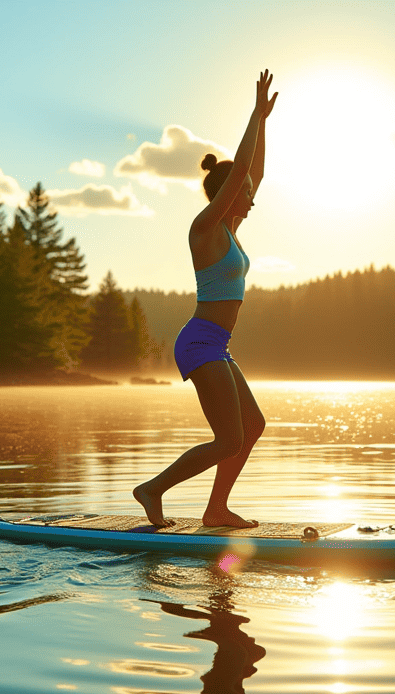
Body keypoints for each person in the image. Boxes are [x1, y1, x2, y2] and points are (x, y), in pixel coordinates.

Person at [134, 70, 278, 530]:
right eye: (245, 195)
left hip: (217, 344)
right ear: (227, 196)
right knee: (228, 438)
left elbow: (254, 171)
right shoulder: (205, 229)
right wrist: (253, 114)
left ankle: (216, 509)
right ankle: (152, 489)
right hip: (199, 343)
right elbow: (241, 172)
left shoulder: (231, 234)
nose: (253, 198)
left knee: (250, 428)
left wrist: (266, 124)